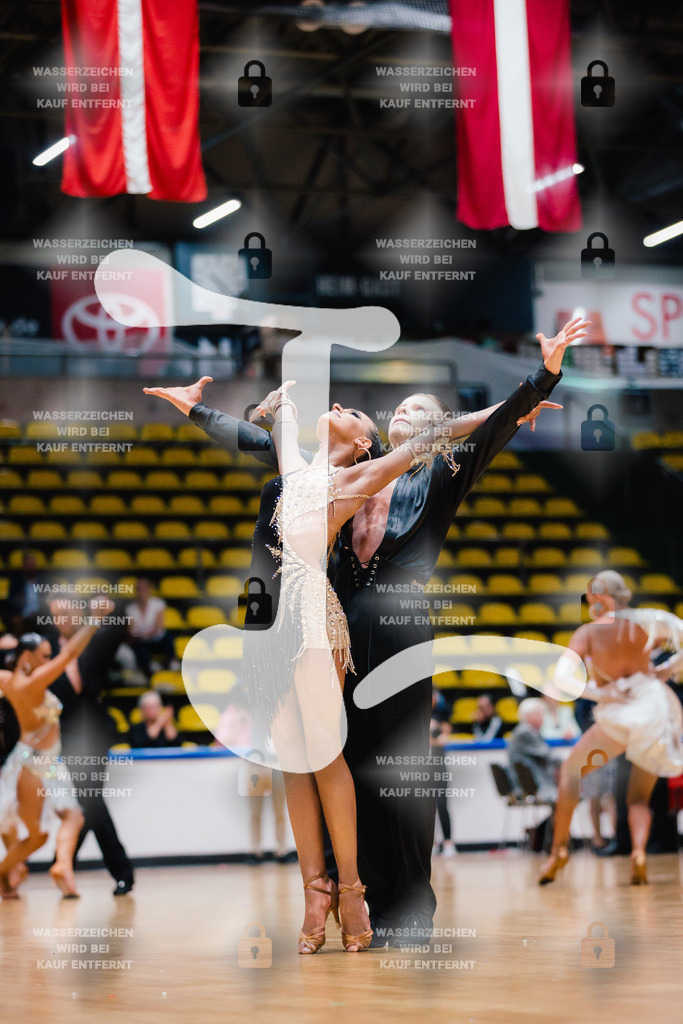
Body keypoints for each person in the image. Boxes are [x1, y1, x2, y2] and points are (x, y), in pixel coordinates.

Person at [144, 316, 586, 944]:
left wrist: (536, 385)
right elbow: (264, 443)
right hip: (333, 636)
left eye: (417, 407)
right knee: (334, 758)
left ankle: (404, 904)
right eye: (397, 405)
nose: (402, 410)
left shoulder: (437, 476)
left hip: (401, 641)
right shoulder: (354, 472)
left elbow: (479, 435)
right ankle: (353, 892)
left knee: (399, 768)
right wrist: (201, 414)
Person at [539, 571, 683, 886]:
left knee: (571, 773)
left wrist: (601, 692)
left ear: (594, 597)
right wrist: (667, 669)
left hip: (620, 714)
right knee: (639, 798)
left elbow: (562, 679)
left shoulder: (589, 632)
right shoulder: (648, 623)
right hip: (653, 711)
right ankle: (639, 853)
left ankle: (558, 851)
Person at [0, 615, 104, 898]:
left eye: (49, 657)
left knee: (74, 816)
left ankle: (62, 866)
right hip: (32, 763)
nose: (49, 661)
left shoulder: (7, 679)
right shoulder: (29, 685)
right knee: (37, 835)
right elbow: (70, 653)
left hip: (48, 761)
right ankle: (4, 874)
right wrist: (94, 620)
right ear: (28, 656)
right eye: (45, 656)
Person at [47, 598, 136, 897]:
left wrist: (110, 607)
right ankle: (72, 864)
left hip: (95, 736)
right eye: (57, 614)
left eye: (68, 612)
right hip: (67, 738)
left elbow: (121, 626)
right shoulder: (47, 651)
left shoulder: (94, 642)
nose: (63, 618)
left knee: (90, 800)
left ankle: (65, 862)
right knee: (90, 802)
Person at [507, 698, 561, 803]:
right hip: (530, 786)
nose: (543, 717)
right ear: (528, 715)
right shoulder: (525, 732)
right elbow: (548, 754)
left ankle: (552, 819)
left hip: (530, 784)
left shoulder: (528, 731)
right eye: (540, 714)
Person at [125, 579, 177, 678]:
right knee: (138, 647)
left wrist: (144, 634)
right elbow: (131, 629)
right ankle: (149, 669)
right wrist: (140, 635)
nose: (142, 592)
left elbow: (158, 627)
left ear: (149, 590)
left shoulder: (158, 604)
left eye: (145, 589)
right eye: (139, 589)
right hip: (141, 641)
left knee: (168, 638)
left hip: (156, 638)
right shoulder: (131, 608)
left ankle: (173, 662)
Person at [430, 688, 456, 858]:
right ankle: (431, 844)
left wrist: (433, 730)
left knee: (442, 804)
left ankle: (448, 842)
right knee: (424, 807)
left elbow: (442, 740)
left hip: (438, 767)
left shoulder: (441, 717)